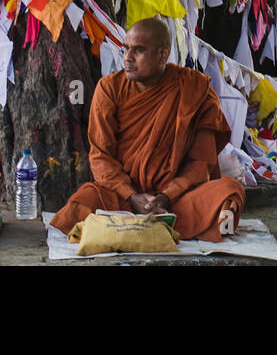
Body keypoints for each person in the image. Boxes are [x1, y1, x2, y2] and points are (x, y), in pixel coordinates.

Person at [50, 18, 245, 241]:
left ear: (163, 55)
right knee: (82, 202)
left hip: (175, 200)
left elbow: (201, 165)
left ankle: (129, 226)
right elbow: (101, 157)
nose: (127, 58)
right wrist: (132, 196)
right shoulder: (109, 89)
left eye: (139, 50)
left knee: (230, 191)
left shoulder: (193, 90)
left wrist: (165, 197)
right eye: (125, 49)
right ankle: (163, 227)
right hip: (121, 197)